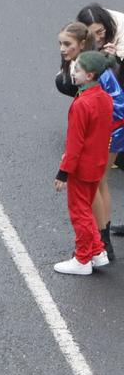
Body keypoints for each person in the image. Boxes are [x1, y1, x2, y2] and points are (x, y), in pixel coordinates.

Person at [59, 50, 119, 275]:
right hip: (98, 163)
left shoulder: (81, 104)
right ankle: (97, 250)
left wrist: (63, 172)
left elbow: (75, 143)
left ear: (90, 75)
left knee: (79, 212)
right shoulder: (104, 98)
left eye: (77, 70)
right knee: (86, 209)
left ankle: (82, 258)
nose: (73, 73)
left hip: (82, 167)